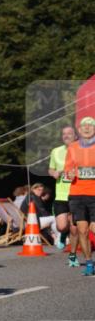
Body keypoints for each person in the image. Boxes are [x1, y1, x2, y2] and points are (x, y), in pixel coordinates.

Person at [63, 116, 95, 276]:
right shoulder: (73, 147)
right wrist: (69, 174)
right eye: (84, 126)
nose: (87, 128)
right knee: (82, 230)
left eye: (90, 125)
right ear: (79, 130)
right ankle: (89, 263)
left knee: (94, 228)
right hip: (77, 194)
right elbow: (67, 171)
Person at [49, 125, 80, 265]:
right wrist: (54, 173)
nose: (66, 136)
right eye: (64, 134)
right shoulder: (56, 151)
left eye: (69, 133)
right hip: (61, 195)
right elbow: (51, 169)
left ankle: (72, 255)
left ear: (76, 135)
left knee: (74, 229)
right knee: (62, 226)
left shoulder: (83, 151)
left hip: (77, 194)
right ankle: (62, 235)